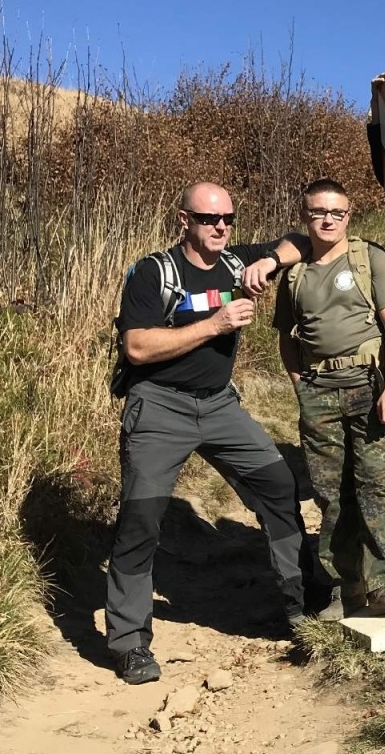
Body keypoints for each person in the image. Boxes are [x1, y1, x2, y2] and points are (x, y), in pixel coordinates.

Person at [107, 183, 312, 685]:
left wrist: (269, 262)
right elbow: (136, 347)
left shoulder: (236, 263)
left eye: (228, 219)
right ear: (184, 220)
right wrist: (215, 325)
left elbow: (300, 241)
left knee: (278, 486)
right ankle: (130, 643)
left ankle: (300, 604)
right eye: (208, 219)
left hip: (220, 407)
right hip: (159, 406)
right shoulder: (153, 272)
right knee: (141, 521)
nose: (220, 227)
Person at [274, 178, 385, 620]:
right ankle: (344, 589)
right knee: (331, 493)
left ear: (348, 215)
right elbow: (287, 338)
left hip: (368, 385)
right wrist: (302, 385)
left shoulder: (368, 258)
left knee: (375, 485)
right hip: (318, 393)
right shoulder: (295, 275)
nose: (328, 220)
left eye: (337, 212)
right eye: (319, 212)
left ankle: (384, 587)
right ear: (305, 215)